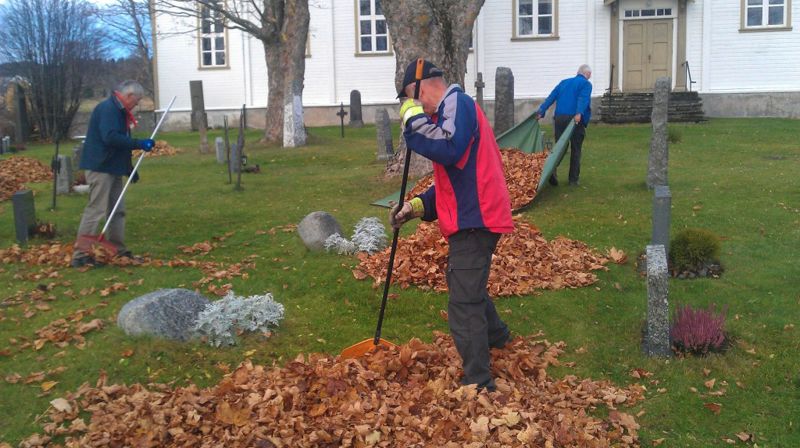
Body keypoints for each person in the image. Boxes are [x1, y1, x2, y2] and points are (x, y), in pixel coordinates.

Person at [390, 59, 514, 392]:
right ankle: (499, 337)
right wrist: (414, 207)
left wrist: (412, 119)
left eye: (410, 97)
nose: (413, 106)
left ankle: (479, 381)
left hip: (478, 218)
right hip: (476, 214)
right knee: (467, 282)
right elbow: (451, 180)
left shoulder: (457, 103)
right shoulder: (448, 112)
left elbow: (447, 148)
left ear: (424, 85)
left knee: (463, 301)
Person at [71, 80, 155, 267]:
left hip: (113, 167)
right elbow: (110, 138)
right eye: (137, 100)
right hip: (101, 167)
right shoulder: (109, 109)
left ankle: (117, 249)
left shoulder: (120, 111)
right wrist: (139, 143)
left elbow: (120, 143)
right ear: (128, 96)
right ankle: (80, 255)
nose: (137, 104)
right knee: (97, 209)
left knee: (117, 211)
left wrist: (129, 169)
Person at [535, 64, 592, 186]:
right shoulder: (586, 84)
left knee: (559, 148)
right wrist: (579, 113)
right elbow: (583, 99)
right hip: (574, 119)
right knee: (576, 149)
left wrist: (541, 111)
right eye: (589, 75)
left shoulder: (564, 82)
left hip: (560, 118)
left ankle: (551, 172)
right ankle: (573, 180)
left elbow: (552, 97)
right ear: (587, 74)